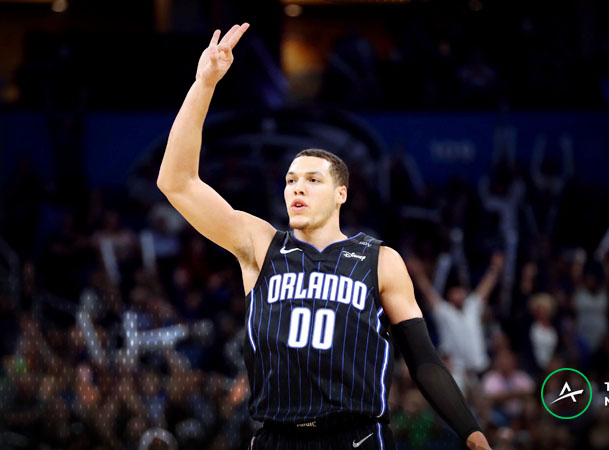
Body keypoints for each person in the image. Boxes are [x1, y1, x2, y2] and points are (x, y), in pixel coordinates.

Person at [156, 23, 491, 450]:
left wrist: (472, 432)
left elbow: (423, 360)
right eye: (291, 179)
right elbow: (177, 182)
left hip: (356, 436)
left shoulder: (379, 260)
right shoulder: (260, 244)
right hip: (276, 437)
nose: (297, 186)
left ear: (340, 194)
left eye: (312, 179)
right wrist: (204, 84)